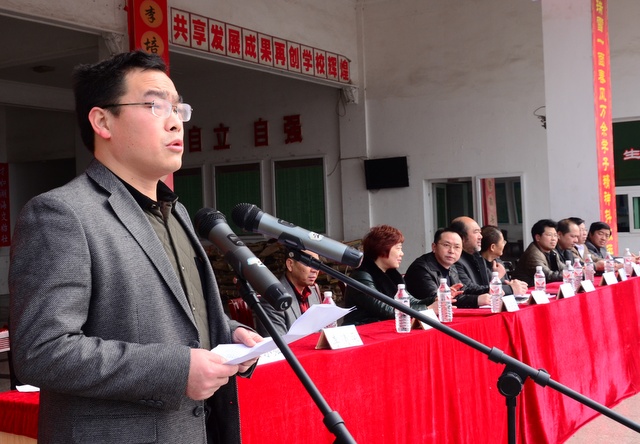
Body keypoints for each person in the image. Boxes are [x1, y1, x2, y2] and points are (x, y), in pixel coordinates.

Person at [9, 51, 261, 444]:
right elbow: (42, 351)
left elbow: (180, 318)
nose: (175, 120)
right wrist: (176, 370)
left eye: (178, 108)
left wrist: (231, 334)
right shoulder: (62, 214)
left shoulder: (176, 213)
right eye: (155, 105)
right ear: (102, 121)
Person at [343, 225, 431, 325]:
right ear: (382, 249)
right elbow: (386, 309)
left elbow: (410, 301)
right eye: (398, 248)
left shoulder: (392, 275)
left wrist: (435, 299)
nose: (402, 253)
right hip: (362, 329)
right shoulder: (361, 276)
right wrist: (426, 309)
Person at [405, 228, 489, 308]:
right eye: (446, 245)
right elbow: (437, 298)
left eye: (456, 247)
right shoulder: (421, 269)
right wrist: (476, 300)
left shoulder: (451, 266)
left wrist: (489, 289)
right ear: (434, 247)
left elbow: (463, 290)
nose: (451, 251)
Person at [450, 217, 527, 297]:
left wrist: (509, 284)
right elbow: (469, 289)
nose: (480, 236)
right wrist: (509, 288)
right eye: (476, 232)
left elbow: (485, 286)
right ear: (461, 237)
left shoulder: (478, 257)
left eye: (480, 232)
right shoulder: (455, 260)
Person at [255, 248, 322, 337]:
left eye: (317, 264)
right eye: (308, 263)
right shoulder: (274, 299)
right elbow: (279, 342)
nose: (315, 270)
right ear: (290, 264)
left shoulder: (312, 293)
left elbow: (319, 331)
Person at [511, 219, 565, 286]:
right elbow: (548, 276)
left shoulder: (552, 252)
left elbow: (563, 267)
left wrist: (571, 271)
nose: (553, 238)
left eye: (555, 235)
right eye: (549, 235)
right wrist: (570, 273)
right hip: (527, 290)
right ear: (538, 238)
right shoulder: (533, 254)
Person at [479, 225, 528, 294]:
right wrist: (497, 277)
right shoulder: (479, 266)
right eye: (503, 242)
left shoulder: (497, 260)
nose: (504, 244)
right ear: (493, 247)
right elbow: (484, 290)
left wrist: (513, 284)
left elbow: (506, 283)